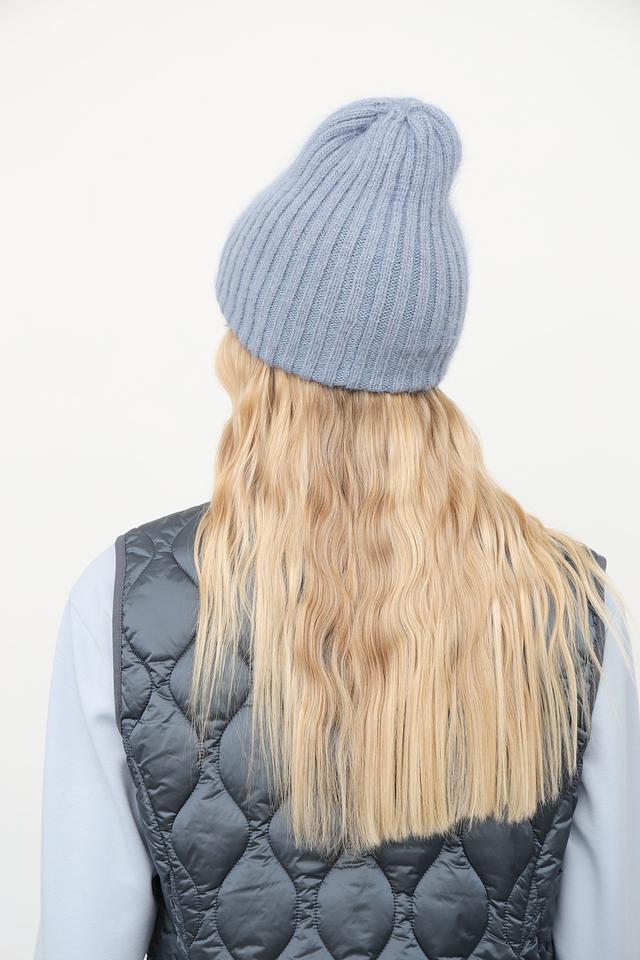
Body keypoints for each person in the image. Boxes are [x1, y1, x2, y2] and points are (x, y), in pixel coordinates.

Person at [35, 97, 640, 960]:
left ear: (256, 360)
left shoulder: (122, 599)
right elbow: (612, 938)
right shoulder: (571, 605)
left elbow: (83, 939)